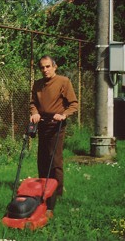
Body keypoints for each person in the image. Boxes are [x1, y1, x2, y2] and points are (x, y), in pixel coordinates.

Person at [29, 55, 78, 217]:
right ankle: (44, 189)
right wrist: (34, 113)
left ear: (54, 67)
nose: (45, 70)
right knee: (42, 158)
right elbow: (33, 103)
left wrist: (63, 115)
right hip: (42, 124)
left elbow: (74, 104)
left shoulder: (63, 82)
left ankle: (57, 191)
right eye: (42, 67)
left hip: (57, 125)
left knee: (54, 159)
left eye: (48, 66)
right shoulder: (37, 84)